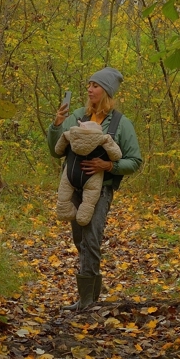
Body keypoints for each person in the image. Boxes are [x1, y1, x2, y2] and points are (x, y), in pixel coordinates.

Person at [48, 67, 142, 310]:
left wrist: (109, 165)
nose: (89, 89)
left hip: (100, 191)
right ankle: (87, 297)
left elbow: (135, 161)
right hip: (74, 186)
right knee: (80, 240)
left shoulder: (122, 124)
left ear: (107, 91)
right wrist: (57, 125)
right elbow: (55, 150)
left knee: (91, 240)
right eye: (89, 84)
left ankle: (87, 301)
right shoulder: (77, 115)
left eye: (95, 86)